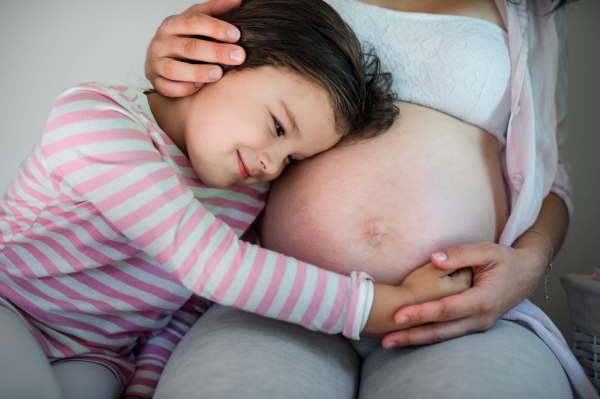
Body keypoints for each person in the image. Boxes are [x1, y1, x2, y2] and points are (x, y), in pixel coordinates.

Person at [0, 1, 479, 398]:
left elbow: (181, 307)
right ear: (219, 61)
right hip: (12, 311)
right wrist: (390, 305)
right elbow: (212, 267)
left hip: (97, 355)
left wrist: (146, 382)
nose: (272, 165)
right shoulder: (94, 121)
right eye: (277, 127)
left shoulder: (240, 193)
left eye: (292, 159)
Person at [144, 0, 598, 398]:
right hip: (275, 300)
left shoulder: (530, 14)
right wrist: (172, 63)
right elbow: (214, 74)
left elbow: (548, 176)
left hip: (452, 311)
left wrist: (528, 264)